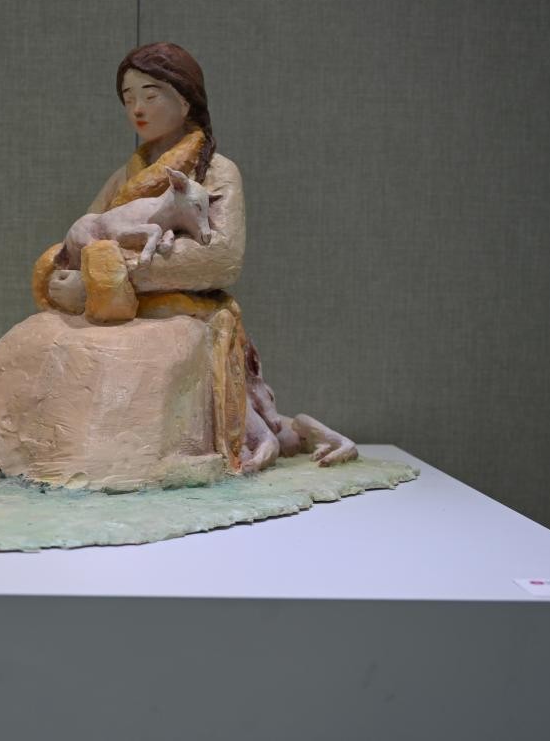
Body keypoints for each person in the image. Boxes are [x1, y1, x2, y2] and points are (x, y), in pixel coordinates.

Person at [31, 42, 357, 471]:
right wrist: (68, 276)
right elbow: (86, 235)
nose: (137, 108)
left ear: (185, 101)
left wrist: (110, 275)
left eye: (151, 95)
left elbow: (220, 257)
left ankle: (237, 441)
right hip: (117, 310)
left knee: (157, 361)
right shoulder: (123, 178)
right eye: (128, 98)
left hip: (184, 312)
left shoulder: (218, 172)